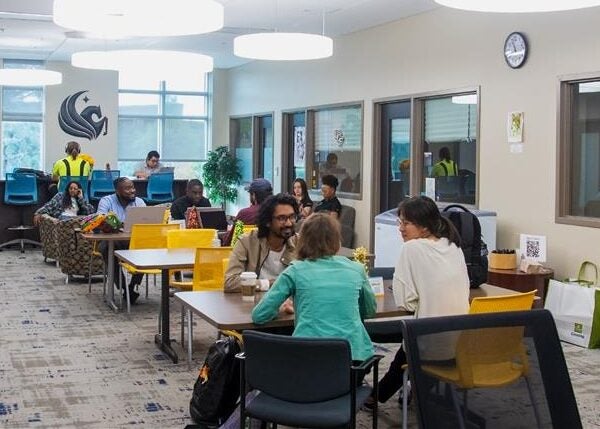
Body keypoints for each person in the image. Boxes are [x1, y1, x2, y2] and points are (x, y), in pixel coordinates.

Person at [367, 196, 470, 407]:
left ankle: (376, 395)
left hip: (429, 344)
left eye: (406, 223)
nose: (400, 228)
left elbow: (406, 303)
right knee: (411, 340)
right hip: (461, 342)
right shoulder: (453, 246)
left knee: (409, 337)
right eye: (400, 222)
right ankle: (388, 393)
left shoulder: (411, 248)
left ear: (424, 227)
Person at [252, 213, 376, 362]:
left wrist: (280, 309)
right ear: (337, 240)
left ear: (302, 240)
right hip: (353, 360)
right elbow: (370, 310)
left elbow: (259, 315)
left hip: (308, 360)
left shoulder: (295, 271)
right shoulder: (357, 269)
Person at [224, 193, 298, 293]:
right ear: (267, 222)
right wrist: (269, 284)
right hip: (255, 304)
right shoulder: (246, 242)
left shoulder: (300, 243)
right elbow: (230, 282)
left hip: (291, 304)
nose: (289, 223)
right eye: (282, 218)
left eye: (292, 217)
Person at [97, 177, 146, 305]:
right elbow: (100, 219)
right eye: (127, 188)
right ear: (117, 191)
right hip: (113, 241)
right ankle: (124, 287)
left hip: (133, 241)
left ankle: (132, 286)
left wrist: (118, 224)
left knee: (146, 248)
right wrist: (116, 225)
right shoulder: (107, 201)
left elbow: (147, 224)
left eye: (133, 187)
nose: (132, 191)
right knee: (106, 248)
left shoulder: (139, 202)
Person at [221, 178, 273, 246]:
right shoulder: (277, 212)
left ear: (254, 195)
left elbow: (232, 241)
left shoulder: (244, 214)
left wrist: (227, 234)